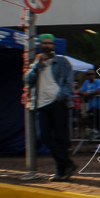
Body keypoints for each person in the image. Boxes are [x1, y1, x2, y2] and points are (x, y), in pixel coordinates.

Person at [24, 34, 76, 180]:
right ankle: (67, 164)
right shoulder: (36, 63)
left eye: (50, 43)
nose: (47, 46)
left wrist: (61, 96)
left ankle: (61, 170)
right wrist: (36, 64)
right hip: (41, 104)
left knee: (61, 138)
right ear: (40, 45)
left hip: (58, 102)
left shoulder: (61, 61)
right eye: (44, 43)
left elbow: (68, 82)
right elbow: (27, 80)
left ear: (53, 46)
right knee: (45, 137)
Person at [78, 70, 100, 142]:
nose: (90, 75)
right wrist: (85, 94)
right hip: (91, 108)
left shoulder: (99, 81)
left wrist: (89, 94)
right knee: (84, 119)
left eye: (92, 74)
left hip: (99, 108)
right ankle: (94, 134)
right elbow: (80, 91)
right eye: (88, 74)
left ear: (94, 75)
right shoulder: (86, 82)